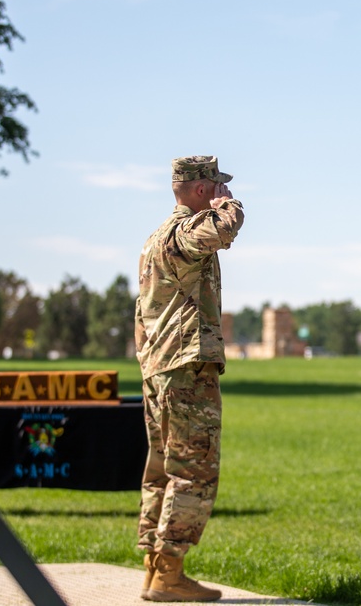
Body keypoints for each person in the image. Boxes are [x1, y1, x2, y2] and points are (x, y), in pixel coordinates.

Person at [133, 155, 244, 602]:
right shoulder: (184, 233)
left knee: (161, 468)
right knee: (193, 471)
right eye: (216, 186)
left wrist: (147, 362)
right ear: (201, 189)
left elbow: (140, 314)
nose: (222, 192)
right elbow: (225, 228)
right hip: (185, 368)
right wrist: (230, 206)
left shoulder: (155, 238)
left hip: (160, 369)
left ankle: (154, 567)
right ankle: (169, 575)